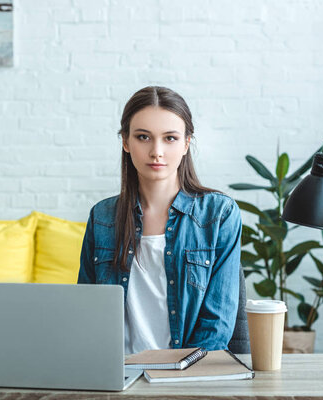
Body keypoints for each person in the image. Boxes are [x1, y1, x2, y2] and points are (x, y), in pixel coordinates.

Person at [78, 86, 242, 354]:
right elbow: (85, 313)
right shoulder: (102, 217)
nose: (156, 151)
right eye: (143, 137)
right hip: (116, 373)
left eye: (170, 138)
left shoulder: (219, 214)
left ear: (187, 143)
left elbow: (217, 323)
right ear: (126, 142)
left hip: (186, 374)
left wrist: (177, 376)